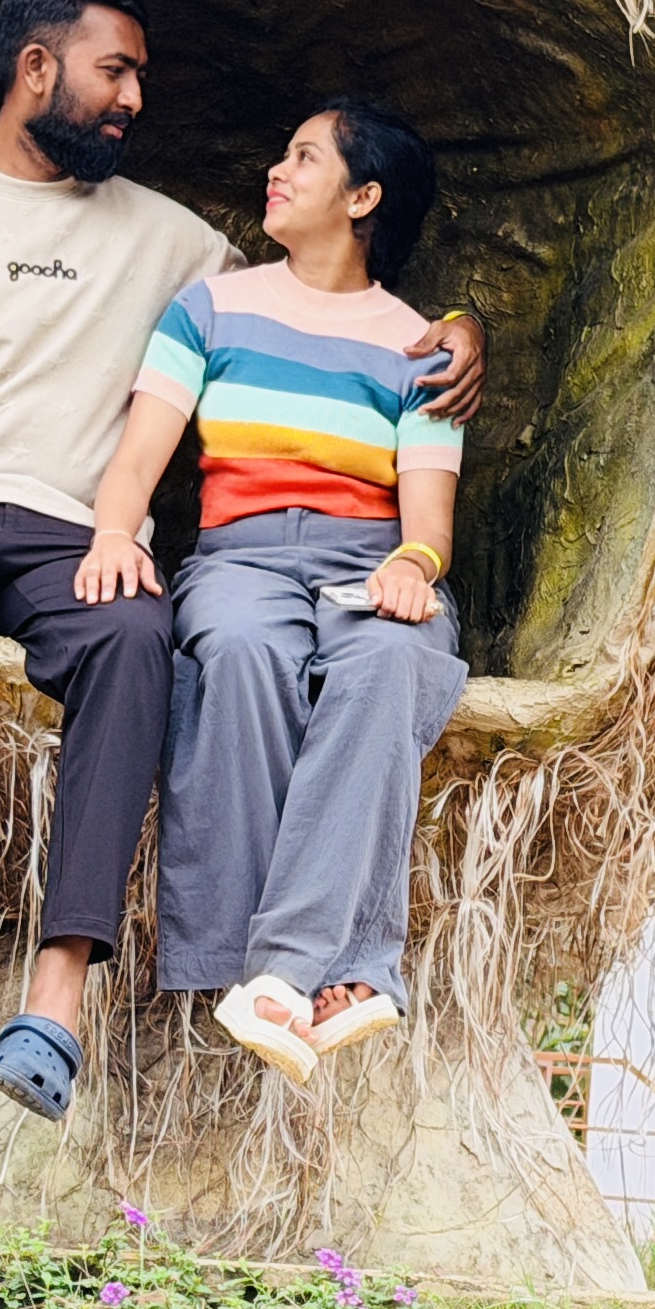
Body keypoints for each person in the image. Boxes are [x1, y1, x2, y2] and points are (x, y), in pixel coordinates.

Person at [0, 0, 484, 1120]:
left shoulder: (179, 245)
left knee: (139, 637)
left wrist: (470, 328)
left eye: (138, 77)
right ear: (39, 69)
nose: (134, 98)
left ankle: (55, 1009)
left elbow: (332, 300)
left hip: (64, 543)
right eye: (113, 72)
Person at [73, 99, 468, 1081]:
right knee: (241, 656)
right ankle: (347, 968)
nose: (276, 172)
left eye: (302, 157)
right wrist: (115, 534)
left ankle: (277, 977)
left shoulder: (423, 345)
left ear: (362, 196)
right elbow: (136, 460)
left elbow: (428, 524)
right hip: (241, 556)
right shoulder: (211, 309)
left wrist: (413, 570)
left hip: (370, 554)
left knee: (389, 661)